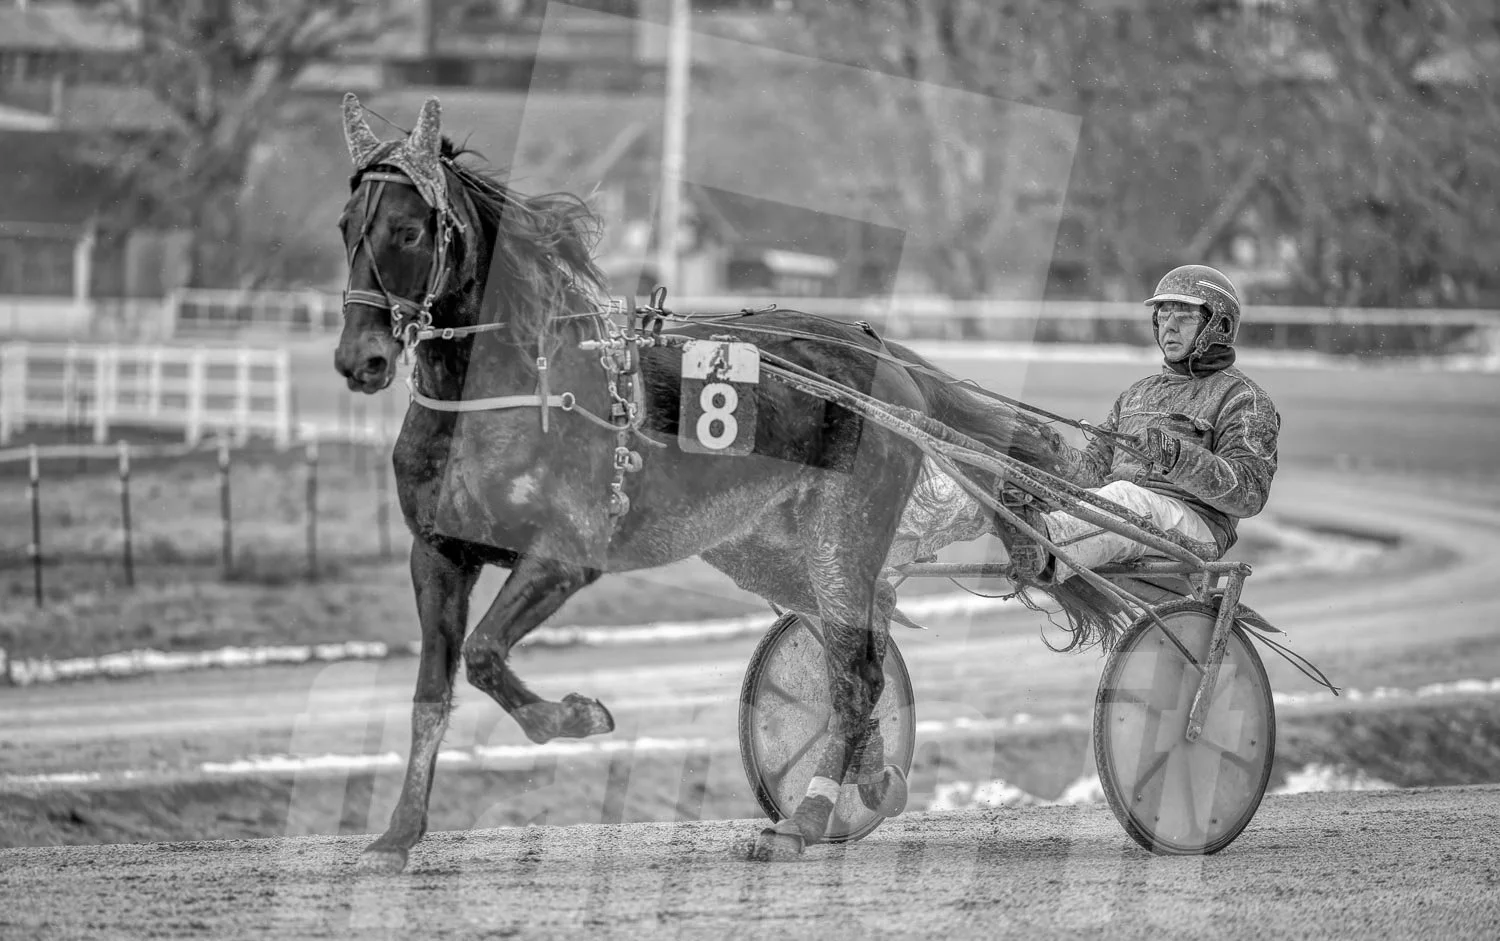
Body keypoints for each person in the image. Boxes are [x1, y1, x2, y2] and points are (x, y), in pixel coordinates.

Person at [1033, 264, 1282, 583]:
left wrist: (1178, 457)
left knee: (1127, 497)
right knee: (1031, 488)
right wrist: (1045, 451)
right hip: (1132, 515)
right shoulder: (1136, 394)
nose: (1170, 327)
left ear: (1218, 325)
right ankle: (1017, 532)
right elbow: (1093, 471)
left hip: (1196, 525)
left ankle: (1043, 544)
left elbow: (1249, 494)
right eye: (1164, 316)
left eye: (1185, 316)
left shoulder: (1243, 398)